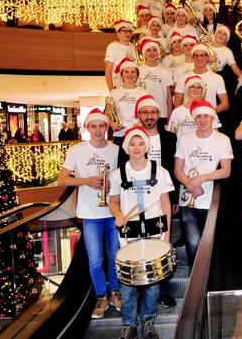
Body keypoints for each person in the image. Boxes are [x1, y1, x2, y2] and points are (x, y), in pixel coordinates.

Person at [109, 126, 174, 339]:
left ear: (147, 146)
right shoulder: (118, 174)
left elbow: (165, 205)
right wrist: (117, 213)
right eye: (132, 144)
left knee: (152, 283)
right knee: (127, 284)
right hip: (129, 234)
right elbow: (114, 201)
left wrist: (167, 236)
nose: (136, 148)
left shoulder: (161, 171)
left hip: (155, 233)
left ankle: (148, 320)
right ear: (126, 147)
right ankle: (129, 323)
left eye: (140, 143)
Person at [58, 108, 121, 319]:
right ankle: (101, 297)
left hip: (113, 210)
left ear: (106, 128)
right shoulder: (77, 150)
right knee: (95, 259)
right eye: (93, 126)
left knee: (115, 255)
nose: (98, 130)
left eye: (102, 125)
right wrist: (86, 181)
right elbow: (63, 179)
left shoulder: (115, 149)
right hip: (89, 212)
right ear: (87, 128)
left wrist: (115, 184)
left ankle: (116, 292)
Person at [132, 95, 179, 308]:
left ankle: (163, 290)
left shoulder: (170, 138)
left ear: (158, 114)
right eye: (145, 112)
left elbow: (174, 169)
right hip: (137, 204)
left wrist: (174, 197)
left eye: (153, 112)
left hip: (163, 198)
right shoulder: (132, 140)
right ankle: (142, 291)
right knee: (141, 249)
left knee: (163, 246)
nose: (149, 116)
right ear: (139, 115)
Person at [174, 99, 233, 268]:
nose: (202, 120)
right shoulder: (184, 139)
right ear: (194, 119)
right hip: (188, 199)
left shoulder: (222, 139)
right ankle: (196, 282)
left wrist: (201, 179)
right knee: (192, 244)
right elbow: (178, 169)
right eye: (198, 116)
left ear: (212, 118)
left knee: (212, 243)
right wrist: (190, 184)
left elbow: (226, 171)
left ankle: (210, 281)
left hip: (211, 200)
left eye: (206, 116)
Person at [106, 58, 146, 164]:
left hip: (138, 135)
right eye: (126, 71)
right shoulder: (114, 93)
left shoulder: (144, 93)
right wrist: (112, 124)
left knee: (138, 165)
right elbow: (106, 115)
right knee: (119, 166)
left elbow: (148, 114)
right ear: (121, 74)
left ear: (137, 75)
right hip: (119, 135)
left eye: (133, 72)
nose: (130, 74)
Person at [174, 44, 228, 112]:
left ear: (207, 57)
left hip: (208, 120)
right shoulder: (183, 78)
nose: (199, 58)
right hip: (188, 120)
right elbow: (177, 102)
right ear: (192, 58)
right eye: (196, 55)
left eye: (202, 55)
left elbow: (225, 104)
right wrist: (185, 115)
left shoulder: (217, 78)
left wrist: (208, 114)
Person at [138, 39, 173, 129]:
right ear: (143, 53)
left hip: (162, 114)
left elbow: (169, 98)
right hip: (142, 114)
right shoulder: (138, 71)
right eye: (148, 50)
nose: (151, 53)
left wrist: (169, 118)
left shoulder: (165, 72)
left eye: (154, 50)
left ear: (158, 53)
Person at [105, 19, 136, 91]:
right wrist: (111, 90)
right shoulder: (113, 46)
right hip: (119, 86)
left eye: (130, 31)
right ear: (118, 33)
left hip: (132, 85)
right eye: (125, 31)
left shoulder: (132, 46)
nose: (128, 34)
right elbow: (108, 70)